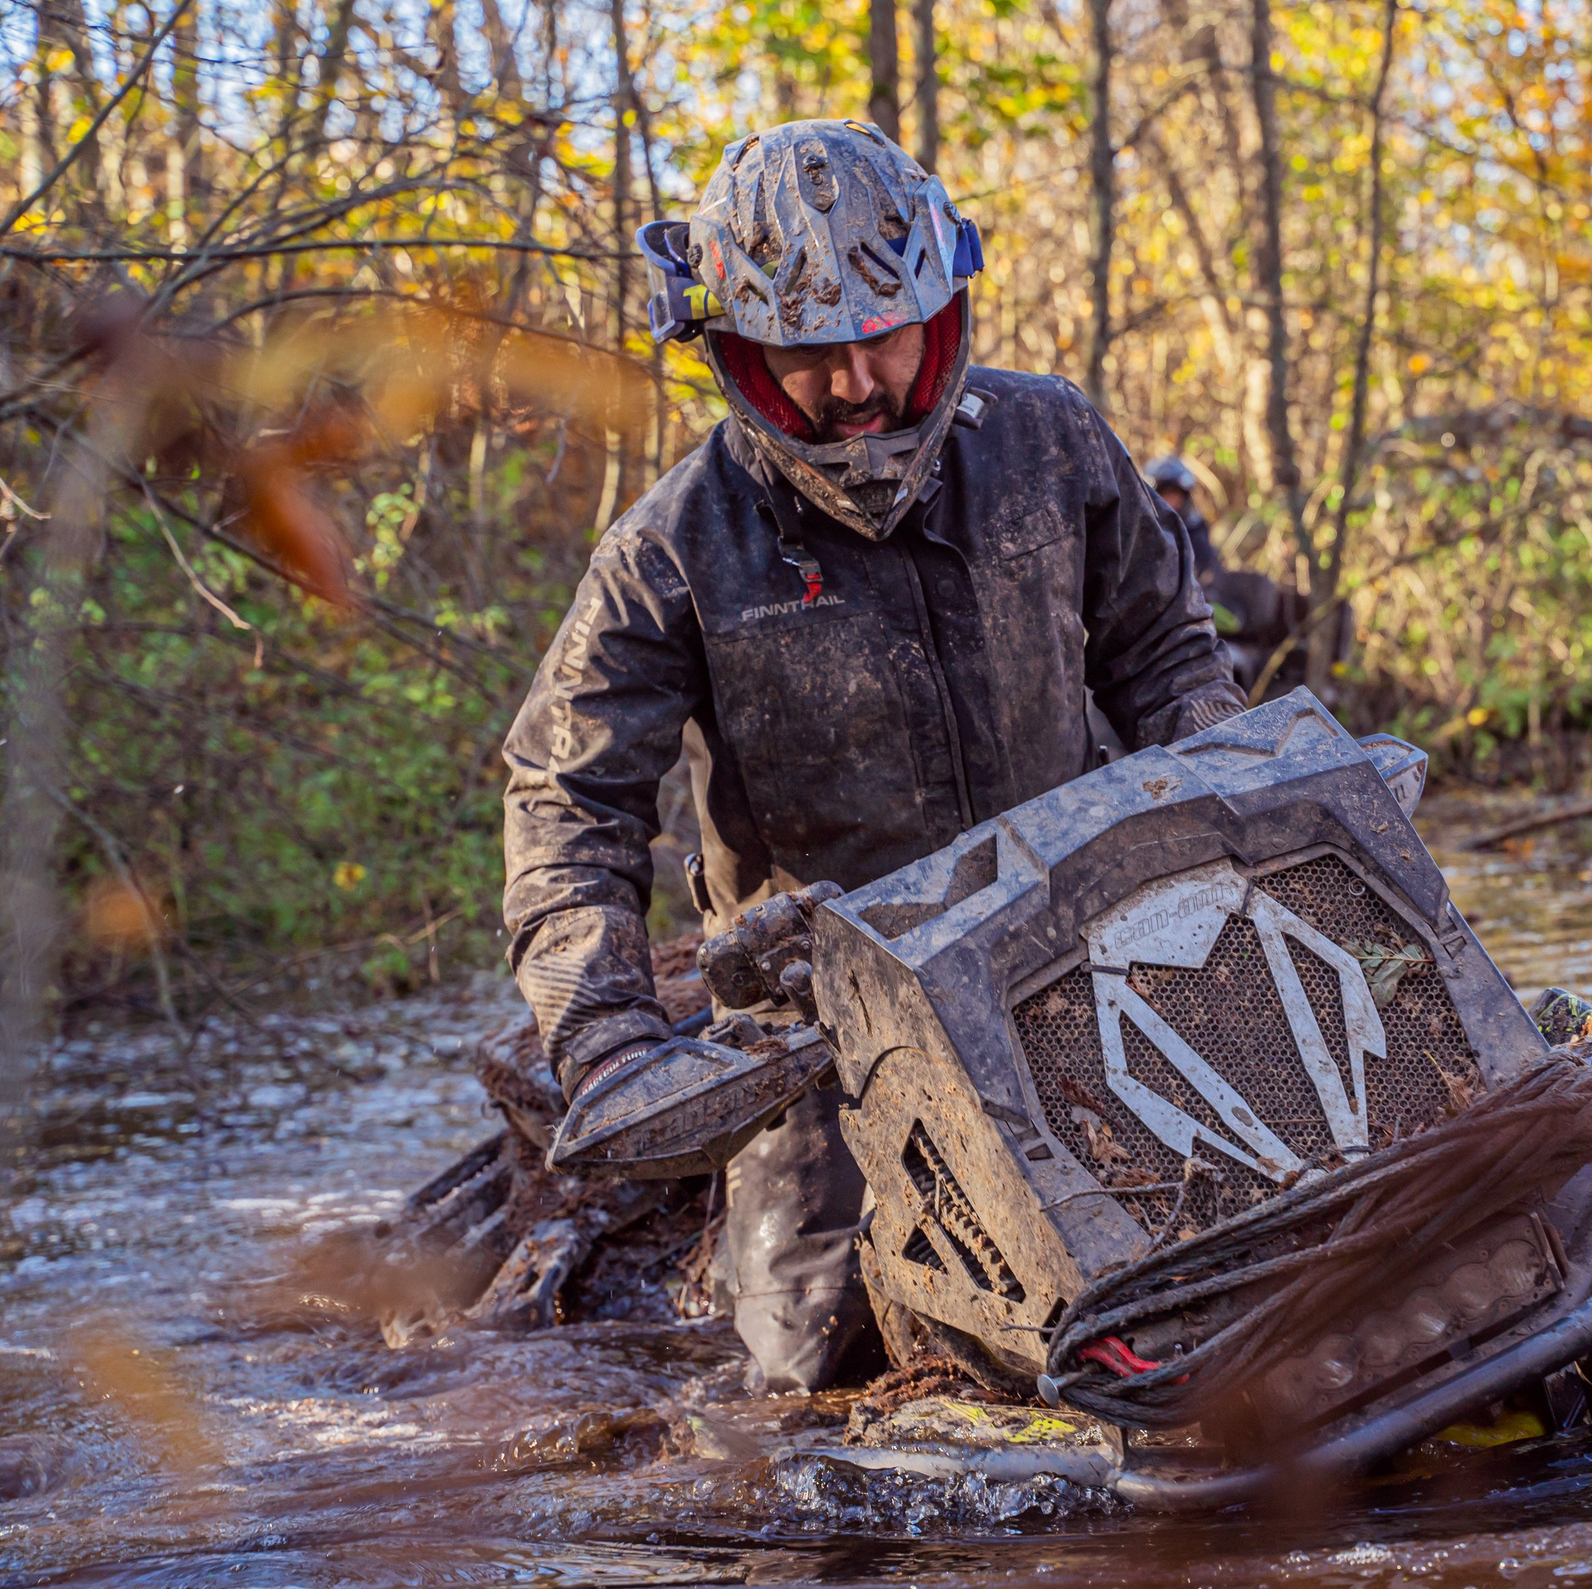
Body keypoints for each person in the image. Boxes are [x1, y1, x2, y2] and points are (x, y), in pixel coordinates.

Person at [501, 121, 1245, 1393]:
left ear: (942, 312)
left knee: (1217, 1308)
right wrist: (608, 1036)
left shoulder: (1051, 442)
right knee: (797, 1386)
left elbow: (1168, 657)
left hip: (1096, 965)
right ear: (733, 348)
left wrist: (1243, 824)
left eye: (884, 337)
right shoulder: (672, 545)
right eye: (808, 353)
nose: (856, 385)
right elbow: (566, 796)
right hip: (819, 1036)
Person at [1142, 455, 1302, 695]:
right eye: (1165, 495)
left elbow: (1207, 579)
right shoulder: (1139, 535)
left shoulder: (1194, 533)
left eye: (1176, 496)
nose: (1171, 503)